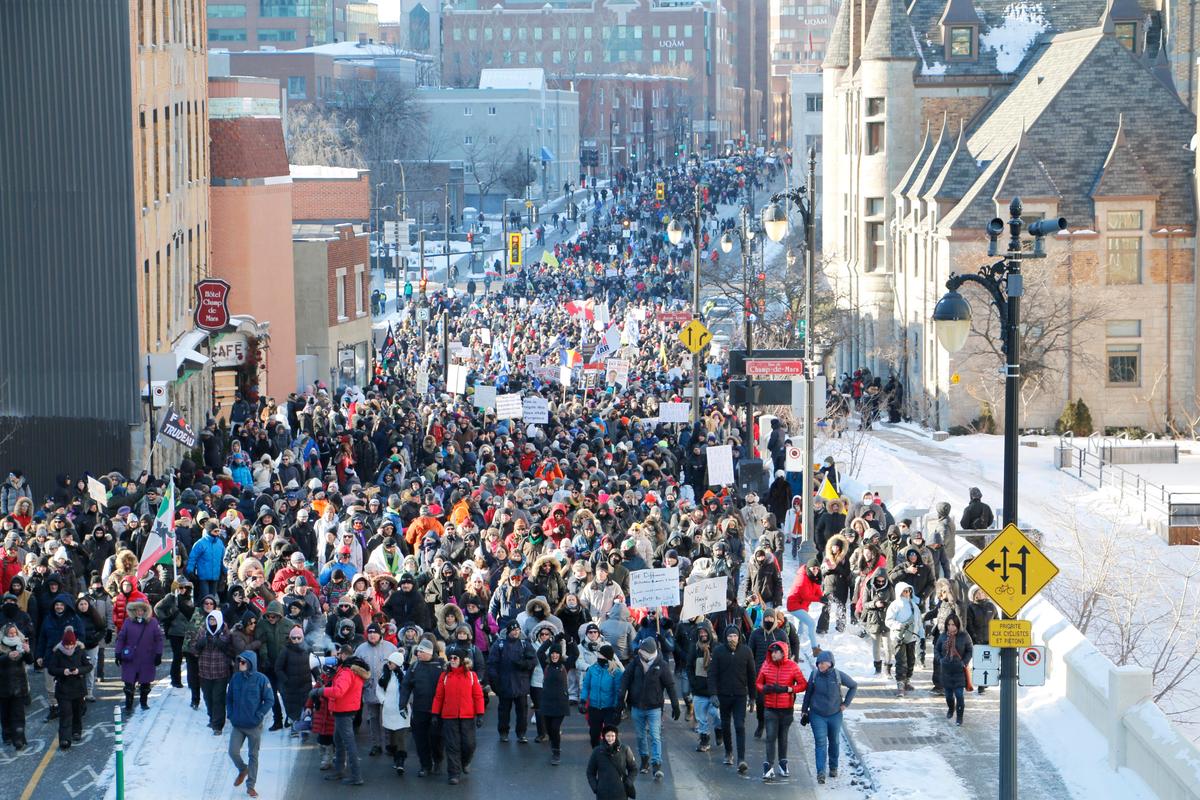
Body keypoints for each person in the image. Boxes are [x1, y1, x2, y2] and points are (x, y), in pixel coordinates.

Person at [619, 637, 679, 781]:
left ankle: (656, 764)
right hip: (637, 706)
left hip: (654, 707)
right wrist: (621, 698)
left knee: (655, 735)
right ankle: (644, 759)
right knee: (640, 736)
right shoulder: (635, 663)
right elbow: (625, 679)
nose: (640, 652)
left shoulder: (661, 665)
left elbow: (670, 686)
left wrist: (675, 705)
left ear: (650, 652)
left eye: (643, 651)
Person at [313, 643, 370, 786]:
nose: (337, 657)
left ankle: (356, 776)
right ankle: (339, 770)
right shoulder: (352, 668)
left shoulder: (346, 671)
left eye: (339, 654)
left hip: (343, 711)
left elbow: (338, 691)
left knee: (348, 743)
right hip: (346, 710)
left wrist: (320, 691)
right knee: (338, 741)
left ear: (344, 655)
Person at [800, 650, 856, 785]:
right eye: (819, 663)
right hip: (817, 714)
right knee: (820, 743)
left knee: (834, 741)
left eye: (823, 663)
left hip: (835, 715)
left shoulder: (838, 675)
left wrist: (845, 704)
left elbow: (853, 686)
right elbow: (808, 694)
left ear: (830, 664)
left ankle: (833, 767)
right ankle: (820, 772)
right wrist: (804, 710)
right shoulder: (814, 675)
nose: (820, 666)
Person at [431, 646, 485, 784]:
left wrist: (480, 714)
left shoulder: (471, 676)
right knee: (452, 745)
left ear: (462, 660)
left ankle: (465, 761)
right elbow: (438, 696)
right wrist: (435, 714)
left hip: (467, 715)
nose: (452, 660)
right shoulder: (445, 676)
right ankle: (453, 774)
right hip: (449, 716)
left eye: (455, 658)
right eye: (450, 658)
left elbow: (478, 696)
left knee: (469, 744)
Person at [708, 623, 756, 774]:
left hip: (740, 695)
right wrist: (713, 694)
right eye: (729, 636)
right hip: (723, 695)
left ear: (739, 636)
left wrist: (753, 698)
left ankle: (741, 758)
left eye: (735, 635)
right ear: (725, 637)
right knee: (725, 725)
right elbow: (712, 674)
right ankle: (728, 753)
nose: (732, 638)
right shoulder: (718, 651)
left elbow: (751, 675)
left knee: (740, 726)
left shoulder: (746, 651)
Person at [226, 651, 274, 798]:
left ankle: (250, 786)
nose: (240, 664)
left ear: (250, 663)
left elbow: (270, 700)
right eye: (239, 661)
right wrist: (231, 714)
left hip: (253, 726)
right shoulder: (235, 678)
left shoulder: (261, 679)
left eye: (243, 662)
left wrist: (259, 715)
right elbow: (229, 698)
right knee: (233, 752)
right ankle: (243, 769)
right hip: (238, 724)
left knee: (253, 755)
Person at [755, 640, 805, 781]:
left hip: (786, 709)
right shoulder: (766, 665)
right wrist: (764, 688)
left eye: (776, 652)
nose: (773, 654)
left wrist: (789, 689)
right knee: (770, 737)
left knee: (783, 737)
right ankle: (768, 766)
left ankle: (783, 764)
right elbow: (758, 682)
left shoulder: (793, 666)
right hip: (770, 708)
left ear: (783, 653)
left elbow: (803, 684)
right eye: (772, 652)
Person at [399, 638, 445, 777]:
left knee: (436, 738)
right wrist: (402, 704)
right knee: (420, 739)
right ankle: (425, 765)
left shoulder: (441, 665)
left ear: (429, 653)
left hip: (437, 710)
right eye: (418, 651)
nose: (418, 654)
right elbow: (406, 686)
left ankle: (438, 761)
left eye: (421, 652)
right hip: (419, 709)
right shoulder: (414, 667)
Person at [113, 593, 163, 714]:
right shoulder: (128, 622)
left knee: (145, 684)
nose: (140, 612)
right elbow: (121, 638)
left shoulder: (152, 622)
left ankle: (143, 702)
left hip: (147, 658)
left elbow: (159, 639)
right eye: (137, 610)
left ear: (146, 610)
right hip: (130, 658)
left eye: (142, 610)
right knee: (129, 685)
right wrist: (118, 653)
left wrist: (158, 654)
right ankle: (128, 705)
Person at [487, 620, 536, 743]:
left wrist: (523, 664)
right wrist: (495, 683)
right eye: (513, 630)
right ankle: (503, 732)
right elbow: (492, 664)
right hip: (505, 683)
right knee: (504, 711)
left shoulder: (525, 644)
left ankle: (521, 733)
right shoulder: (499, 645)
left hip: (521, 684)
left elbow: (533, 661)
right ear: (508, 631)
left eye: (517, 630)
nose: (516, 632)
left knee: (522, 712)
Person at [45, 626, 91, 749]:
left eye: (71, 645)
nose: (69, 647)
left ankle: (76, 731)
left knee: (77, 711)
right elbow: (51, 669)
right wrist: (63, 671)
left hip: (78, 687)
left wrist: (78, 670)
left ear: (75, 643)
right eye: (67, 645)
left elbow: (88, 667)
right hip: (63, 688)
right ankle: (64, 739)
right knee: (65, 714)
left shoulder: (80, 651)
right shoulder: (58, 652)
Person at [536, 630, 575, 765]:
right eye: (552, 653)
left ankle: (556, 752)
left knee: (555, 727)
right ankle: (554, 744)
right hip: (547, 702)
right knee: (549, 728)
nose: (554, 655)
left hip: (560, 703)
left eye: (556, 653)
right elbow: (540, 652)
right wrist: (551, 640)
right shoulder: (546, 665)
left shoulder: (565, 666)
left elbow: (575, 654)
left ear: (560, 655)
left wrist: (570, 641)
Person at [194, 605, 234, 733]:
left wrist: (218, 642)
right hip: (205, 671)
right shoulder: (202, 631)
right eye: (210, 620)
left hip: (220, 671)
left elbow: (229, 649)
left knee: (218, 698)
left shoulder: (225, 631)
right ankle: (212, 718)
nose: (212, 622)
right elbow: (194, 648)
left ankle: (218, 725)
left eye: (214, 620)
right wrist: (201, 643)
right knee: (207, 697)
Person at [580, 642, 623, 748]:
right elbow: (586, 686)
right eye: (598, 655)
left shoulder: (616, 672)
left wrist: (617, 709)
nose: (598, 657)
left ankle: (611, 754)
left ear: (607, 657)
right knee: (594, 734)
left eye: (601, 655)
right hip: (594, 707)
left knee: (610, 736)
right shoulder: (592, 669)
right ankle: (596, 754)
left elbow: (618, 691)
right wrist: (582, 700)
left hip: (609, 708)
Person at [884, 582, 923, 697]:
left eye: (909, 591)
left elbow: (918, 622)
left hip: (912, 637)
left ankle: (907, 681)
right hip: (898, 637)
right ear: (899, 592)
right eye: (905, 591)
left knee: (911, 660)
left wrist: (921, 634)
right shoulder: (894, 605)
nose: (907, 593)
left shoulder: (914, 605)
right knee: (901, 661)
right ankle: (900, 684)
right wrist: (898, 625)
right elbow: (888, 621)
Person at [936, 615, 973, 725]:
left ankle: (959, 717)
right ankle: (951, 708)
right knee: (948, 696)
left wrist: (964, 662)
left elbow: (970, 650)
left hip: (959, 670)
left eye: (953, 624)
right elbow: (937, 649)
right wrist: (941, 660)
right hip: (946, 670)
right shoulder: (942, 636)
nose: (951, 627)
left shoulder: (964, 636)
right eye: (949, 624)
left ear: (957, 625)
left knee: (959, 695)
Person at [0, 622, 31, 750]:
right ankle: (7, 736)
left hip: (19, 684)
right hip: (3, 685)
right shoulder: (1, 645)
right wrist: (7, 657)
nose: (12, 635)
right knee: (5, 713)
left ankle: (19, 739)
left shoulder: (21, 644)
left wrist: (28, 651)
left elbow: (30, 661)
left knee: (18, 713)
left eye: (14, 633)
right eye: (10, 633)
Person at [586, 723, 637, 800]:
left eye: (612, 736)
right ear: (603, 737)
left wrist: (628, 783)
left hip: (621, 792)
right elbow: (590, 772)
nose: (610, 738)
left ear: (616, 736)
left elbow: (633, 769)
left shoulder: (625, 749)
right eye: (608, 736)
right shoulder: (597, 751)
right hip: (603, 793)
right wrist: (596, 787)